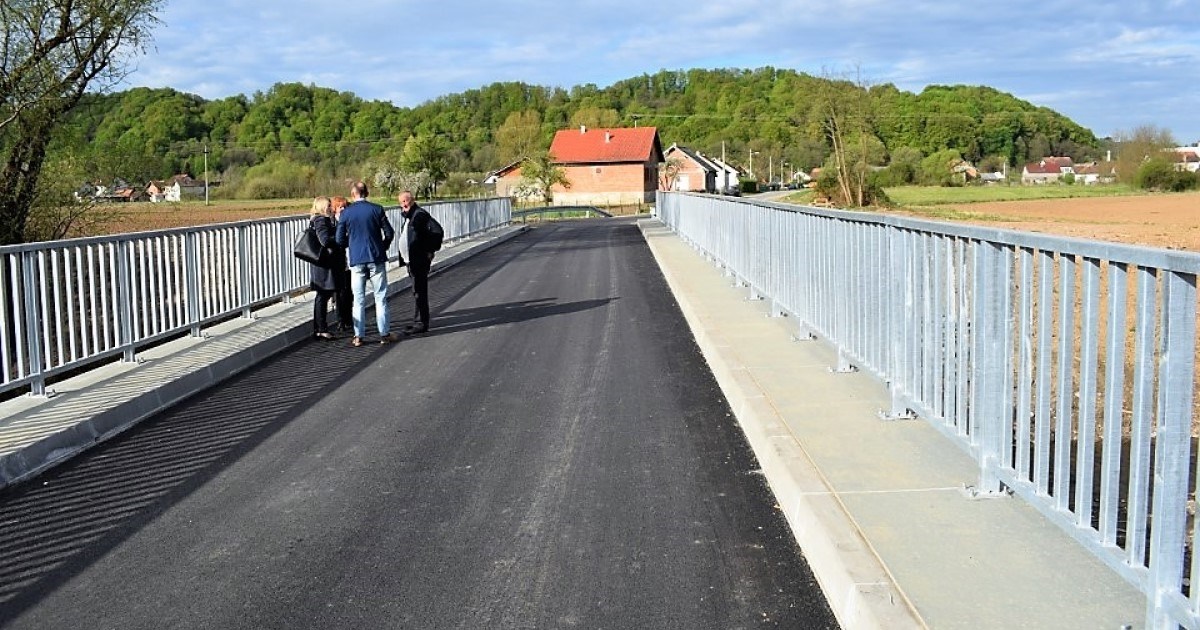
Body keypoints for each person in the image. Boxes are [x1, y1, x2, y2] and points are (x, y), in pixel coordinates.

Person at [335, 181, 398, 346]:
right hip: (376, 257)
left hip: (357, 259)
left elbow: (339, 239)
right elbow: (389, 232)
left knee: (358, 299)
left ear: (353, 194)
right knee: (380, 297)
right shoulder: (377, 209)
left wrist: (353, 244)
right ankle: (384, 334)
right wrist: (382, 246)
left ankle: (358, 336)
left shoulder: (346, 213)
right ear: (367, 193)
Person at [307, 196, 345, 340]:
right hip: (325, 265)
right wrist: (339, 238)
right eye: (328, 205)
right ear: (322, 207)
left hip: (321, 264)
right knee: (323, 295)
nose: (330, 207)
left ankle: (319, 328)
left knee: (322, 295)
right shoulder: (321, 220)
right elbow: (324, 240)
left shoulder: (316, 220)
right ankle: (321, 328)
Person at [400, 190, 434, 334]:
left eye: (405, 201)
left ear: (412, 200)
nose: (403, 204)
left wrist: (428, 251)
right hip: (412, 260)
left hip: (418, 260)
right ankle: (418, 320)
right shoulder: (412, 215)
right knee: (417, 291)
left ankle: (421, 322)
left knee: (419, 290)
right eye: (401, 202)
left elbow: (435, 232)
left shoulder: (419, 215)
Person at [329, 195, 354, 332]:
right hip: (338, 262)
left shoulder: (350, 221)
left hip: (349, 260)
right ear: (334, 209)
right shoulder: (331, 222)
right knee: (339, 293)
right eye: (339, 206)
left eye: (344, 206)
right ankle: (340, 320)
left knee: (349, 292)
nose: (342, 209)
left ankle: (349, 319)